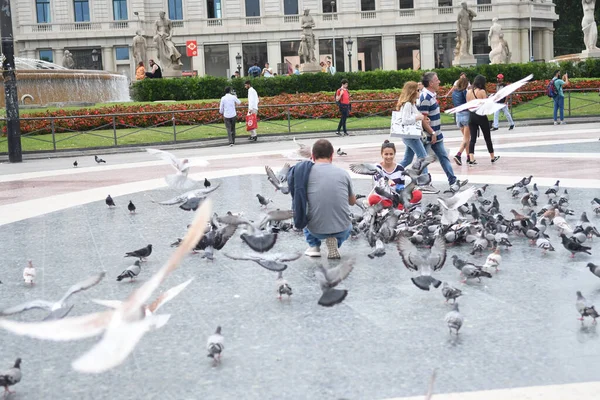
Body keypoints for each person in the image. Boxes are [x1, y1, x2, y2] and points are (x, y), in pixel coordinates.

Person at [302, 139, 356, 259]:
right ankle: (336, 242)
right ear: (332, 155)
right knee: (348, 224)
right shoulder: (343, 173)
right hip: (342, 229)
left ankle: (314, 246)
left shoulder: (305, 174)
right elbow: (352, 202)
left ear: (312, 156)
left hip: (315, 230)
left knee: (306, 210)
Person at [419, 72, 467, 192]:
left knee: (443, 157)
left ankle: (453, 181)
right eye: (437, 80)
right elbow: (422, 119)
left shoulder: (432, 95)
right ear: (430, 83)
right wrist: (432, 133)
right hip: (430, 135)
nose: (439, 82)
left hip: (436, 134)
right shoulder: (425, 97)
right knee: (422, 160)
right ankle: (422, 183)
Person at [396, 81, 437, 194]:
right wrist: (418, 117)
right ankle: (424, 183)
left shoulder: (412, 103)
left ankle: (391, 173)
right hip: (410, 136)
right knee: (423, 158)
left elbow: (414, 117)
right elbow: (405, 120)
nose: (420, 92)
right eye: (418, 90)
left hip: (410, 135)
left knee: (407, 159)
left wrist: (422, 118)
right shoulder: (408, 104)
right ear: (412, 91)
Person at [367, 140, 423, 210]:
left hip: (396, 198)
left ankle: (396, 206)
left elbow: (400, 187)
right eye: (386, 154)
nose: (389, 157)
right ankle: (398, 207)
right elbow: (379, 178)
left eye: (391, 154)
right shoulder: (377, 167)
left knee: (418, 194)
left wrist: (408, 190)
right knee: (372, 199)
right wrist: (387, 180)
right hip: (382, 198)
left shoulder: (400, 168)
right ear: (382, 154)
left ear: (394, 154)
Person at [466, 74, 499, 165]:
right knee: (487, 137)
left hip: (471, 115)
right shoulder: (482, 91)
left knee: (472, 138)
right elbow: (486, 104)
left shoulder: (469, 91)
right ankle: (492, 157)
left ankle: (471, 158)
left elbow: (468, 104)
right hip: (480, 115)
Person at [451, 76, 470, 166]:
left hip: (458, 115)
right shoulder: (464, 92)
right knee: (466, 138)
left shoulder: (454, 92)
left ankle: (469, 156)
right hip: (466, 114)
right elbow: (468, 102)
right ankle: (458, 154)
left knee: (465, 138)